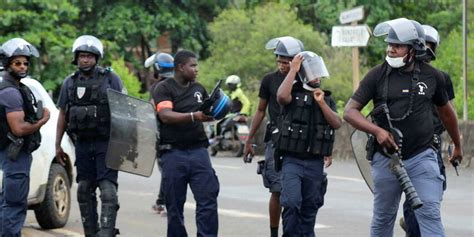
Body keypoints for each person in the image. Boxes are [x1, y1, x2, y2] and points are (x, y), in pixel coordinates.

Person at [343, 18, 463, 237]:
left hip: (422, 156)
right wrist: (377, 131)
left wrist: (457, 145)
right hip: (386, 159)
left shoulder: (433, 76)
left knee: (429, 213)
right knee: (383, 217)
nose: (390, 49)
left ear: (414, 48)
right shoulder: (376, 75)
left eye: (397, 45)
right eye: (389, 44)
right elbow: (350, 111)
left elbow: (447, 114)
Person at [55, 35, 124, 237]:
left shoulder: (111, 79)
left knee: (108, 191)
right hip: (82, 144)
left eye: (90, 56)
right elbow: (63, 115)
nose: (86, 60)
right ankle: (90, 233)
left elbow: (124, 110)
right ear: (76, 58)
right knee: (84, 189)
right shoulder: (69, 83)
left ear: (97, 58)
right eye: (82, 56)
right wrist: (57, 145)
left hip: (106, 143)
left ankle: (106, 232)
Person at [152, 50, 219, 237]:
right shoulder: (164, 88)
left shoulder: (199, 88)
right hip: (173, 154)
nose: (196, 69)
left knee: (208, 201)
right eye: (193, 65)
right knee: (174, 206)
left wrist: (217, 109)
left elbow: (207, 114)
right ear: (180, 67)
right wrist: (193, 116)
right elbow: (165, 115)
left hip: (199, 152)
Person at [242, 36, 304, 237]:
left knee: (299, 193)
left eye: (286, 61)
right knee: (276, 190)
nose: (282, 65)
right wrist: (249, 140)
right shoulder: (269, 80)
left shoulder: (306, 79)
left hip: (301, 143)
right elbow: (260, 111)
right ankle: (274, 233)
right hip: (276, 141)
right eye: (279, 60)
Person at [275, 51, 341, 236]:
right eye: (312, 72)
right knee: (291, 202)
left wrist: (321, 103)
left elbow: (336, 123)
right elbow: (281, 97)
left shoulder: (326, 98)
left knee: (310, 206)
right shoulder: (292, 93)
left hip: (315, 163)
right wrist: (293, 70)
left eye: (318, 72)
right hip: (292, 161)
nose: (316, 76)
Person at [399, 24, 456, 237]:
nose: (425, 50)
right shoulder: (397, 76)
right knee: (415, 201)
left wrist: (454, 142)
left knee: (434, 194)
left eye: (429, 45)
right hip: (408, 146)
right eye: (421, 45)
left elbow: (449, 113)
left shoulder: (441, 77)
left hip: (432, 143)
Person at [0, 38, 50, 237]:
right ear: (7, 64)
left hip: (15, 155)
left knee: (9, 201)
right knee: (14, 203)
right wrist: (43, 120)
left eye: (26, 63)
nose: (23, 67)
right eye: (17, 63)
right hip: (14, 155)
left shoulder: (17, 87)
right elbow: (19, 128)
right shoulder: (10, 91)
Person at [144, 52, 174, 215]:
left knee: (167, 170)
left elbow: (151, 110)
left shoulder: (158, 87)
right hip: (180, 133)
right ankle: (161, 200)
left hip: (163, 135)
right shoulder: (180, 84)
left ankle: (167, 204)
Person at [210, 75, 251, 140]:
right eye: (228, 84)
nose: (229, 86)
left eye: (230, 84)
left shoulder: (238, 92)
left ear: (236, 84)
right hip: (234, 114)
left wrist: (243, 113)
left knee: (218, 123)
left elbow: (247, 103)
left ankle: (217, 138)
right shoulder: (234, 92)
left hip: (236, 114)